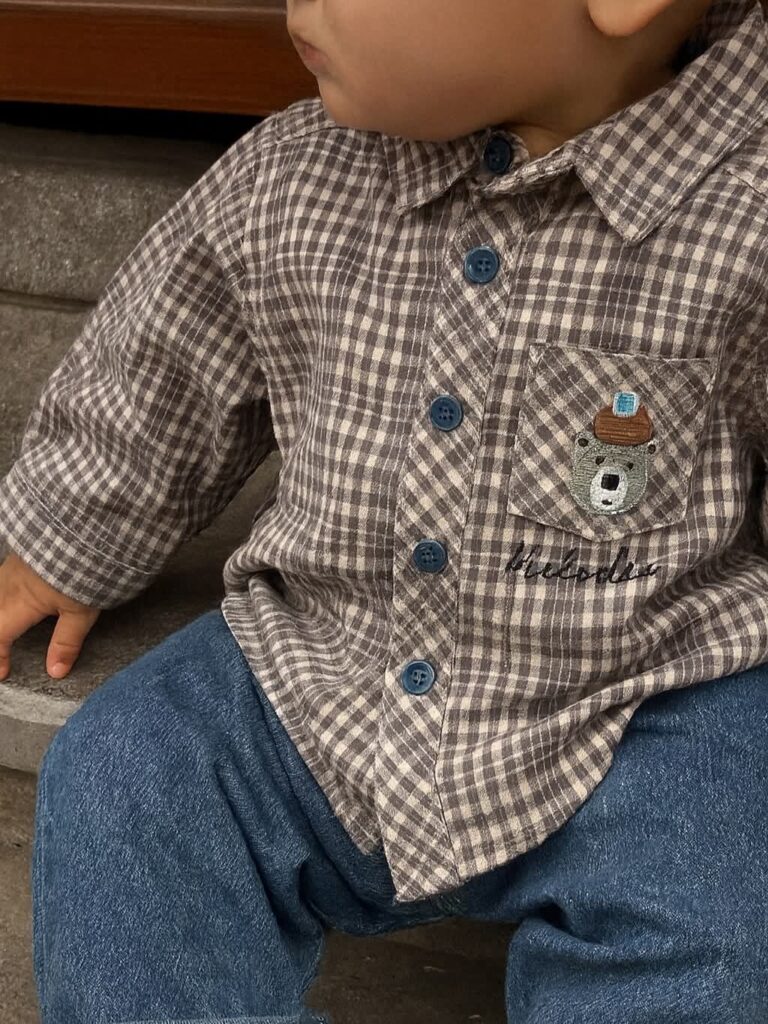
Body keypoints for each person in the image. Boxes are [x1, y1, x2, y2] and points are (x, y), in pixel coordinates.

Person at [1, 0, 767, 1020]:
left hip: (646, 689)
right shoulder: (294, 177)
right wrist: (68, 532)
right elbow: (164, 367)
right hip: (326, 654)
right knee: (124, 776)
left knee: (720, 918)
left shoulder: (746, 208)